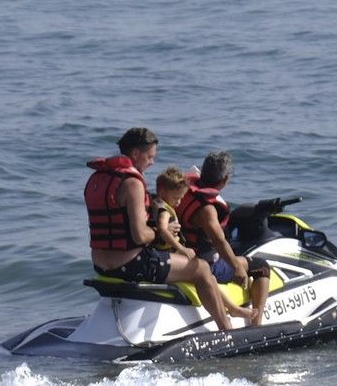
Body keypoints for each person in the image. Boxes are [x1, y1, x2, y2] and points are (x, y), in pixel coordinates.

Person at [84, 128, 235, 330]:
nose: (152, 162)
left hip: (100, 264)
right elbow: (139, 236)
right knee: (202, 268)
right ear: (136, 154)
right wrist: (162, 231)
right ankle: (227, 329)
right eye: (150, 157)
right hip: (131, 264)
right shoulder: (132, 183)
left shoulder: (96, 179)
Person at [175, 151, 271, 326]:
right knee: (262, 266)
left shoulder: (183, 189)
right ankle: (257, 323)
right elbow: (219, 241)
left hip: (181, 253)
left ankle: (235, 308)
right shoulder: (207, 210)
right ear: (225, 179)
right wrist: (236, 267)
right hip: (205, 262)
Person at [152, 166, 257, 323]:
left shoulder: (155, 202)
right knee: (206, 272)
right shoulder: (164, 210)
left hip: (167, 253)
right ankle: (232, 315)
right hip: (171, 253)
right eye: (176, 199)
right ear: (162, 192)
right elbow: (162, 229)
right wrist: (182, 248)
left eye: (181, 198)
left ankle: (233, 309)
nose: (179, 202)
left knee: (209, 277)